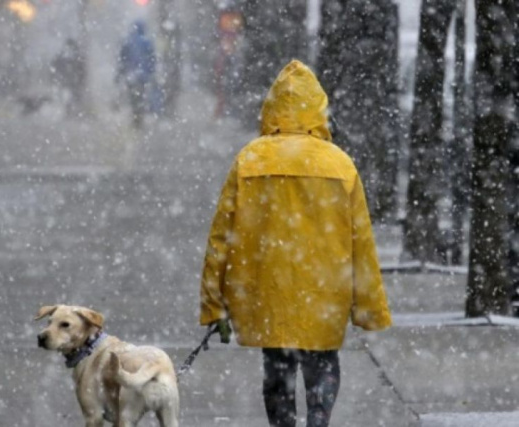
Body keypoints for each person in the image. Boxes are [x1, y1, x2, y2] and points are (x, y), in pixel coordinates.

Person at [199, 60, 391, 427]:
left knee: (278, 369)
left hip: (268, 289)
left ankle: (283, 423)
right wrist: (368, 307)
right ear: (318, 109)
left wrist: (214, 304)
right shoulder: (340, 164)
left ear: (270, 108)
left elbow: (221, 237)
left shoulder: (250, 158)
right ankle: (319, 420)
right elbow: (361, 241)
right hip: (324, 289)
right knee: (322, 363)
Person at [116, 20, 156, 129]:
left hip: (131, 75)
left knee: (133, 96)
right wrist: (151, 72)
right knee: (141, 96)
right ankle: (139, 115)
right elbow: (152, 59)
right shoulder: (147, 42)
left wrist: (120, 74)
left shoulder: (128, 41)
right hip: (143, 76)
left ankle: (135, 115)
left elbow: (122, 59)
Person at [51, 39, 85, 117]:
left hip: (69, 81)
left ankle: (69, 111)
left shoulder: (64, 56)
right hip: (70, 81)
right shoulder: (76, 57)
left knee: (69, 97)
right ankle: (69, 111)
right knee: (69, 97)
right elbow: (81, 70)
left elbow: (56, 66)